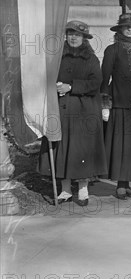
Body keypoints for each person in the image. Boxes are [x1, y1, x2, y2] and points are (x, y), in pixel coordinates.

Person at [38, 20, 107, 206]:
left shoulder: (91, 59)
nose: (73, 37)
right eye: (70, 34)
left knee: (81, 150)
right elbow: (47, 77)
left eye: (77, 35)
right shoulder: (57, 57)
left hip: (84, 112)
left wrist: (71, 86)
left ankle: (83, 190)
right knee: (62, 149)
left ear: (84, 38)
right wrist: (54, 85)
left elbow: (95, 83)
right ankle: (65, 190)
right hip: (60, 110)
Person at [101, 13, 131, 200]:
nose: (129, 29)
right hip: (119, 100)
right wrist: (104, 104)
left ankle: (128, 182)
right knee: (120, 143)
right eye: (126, 27)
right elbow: (104, 78)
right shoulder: (112, 50)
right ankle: (120, 184)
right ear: (120, 29)